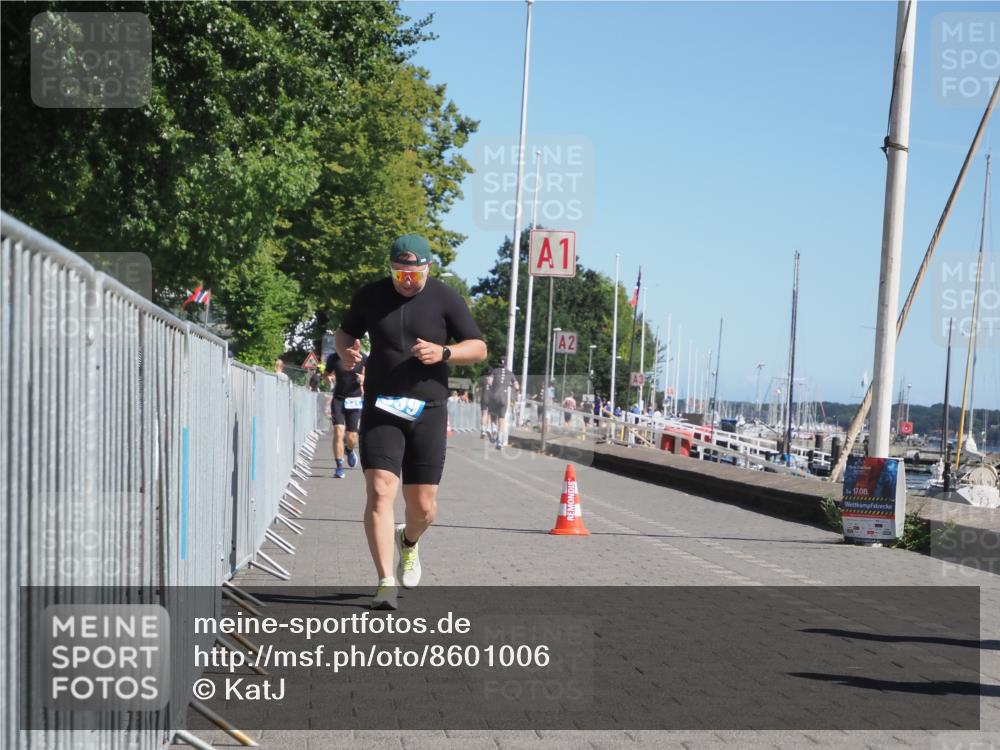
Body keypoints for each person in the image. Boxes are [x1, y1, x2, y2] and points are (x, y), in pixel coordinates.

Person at [336, 234, 486, 610]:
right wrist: (346, 353)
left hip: (429, 411)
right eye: (399, 274)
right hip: (381, 407)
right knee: (381, 491)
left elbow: (479, 347)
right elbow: (345, 334)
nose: (406, 281)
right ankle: (385, 580)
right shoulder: (370, 296)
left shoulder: (444, 298)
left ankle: (410, 541)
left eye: (413, 275)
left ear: (427, 269)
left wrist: (445, 351)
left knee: (422, 508)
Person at [325, 347, 368, 479]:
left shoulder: (363, 357)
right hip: (338, 399)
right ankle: (339, 466)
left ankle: (349, 450)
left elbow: (372, 376)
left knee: (352, 437)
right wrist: (328, 379)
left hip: (354, 400)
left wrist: (363, 378)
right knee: (338, 431)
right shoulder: (334, 357)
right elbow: (326, 374)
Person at [487, 356, 519, 449]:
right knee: (502, 419)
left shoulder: (494, 371)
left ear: (498, 363)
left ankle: (493, 432)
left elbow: (489, 382)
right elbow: (517, 386)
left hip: (494, 397)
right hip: (504, 398)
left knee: (493, 416)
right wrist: (513, 389)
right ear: (506, 364)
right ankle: (499, 441)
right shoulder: (510, 374)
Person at [479, 371, 493, 439]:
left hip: (484, 398)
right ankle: (488, 428)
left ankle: (483, 430)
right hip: (490, 399)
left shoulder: (482, 380)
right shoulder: (492, 379)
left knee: (483, 415)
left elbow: (478, 389)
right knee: (489, 415)